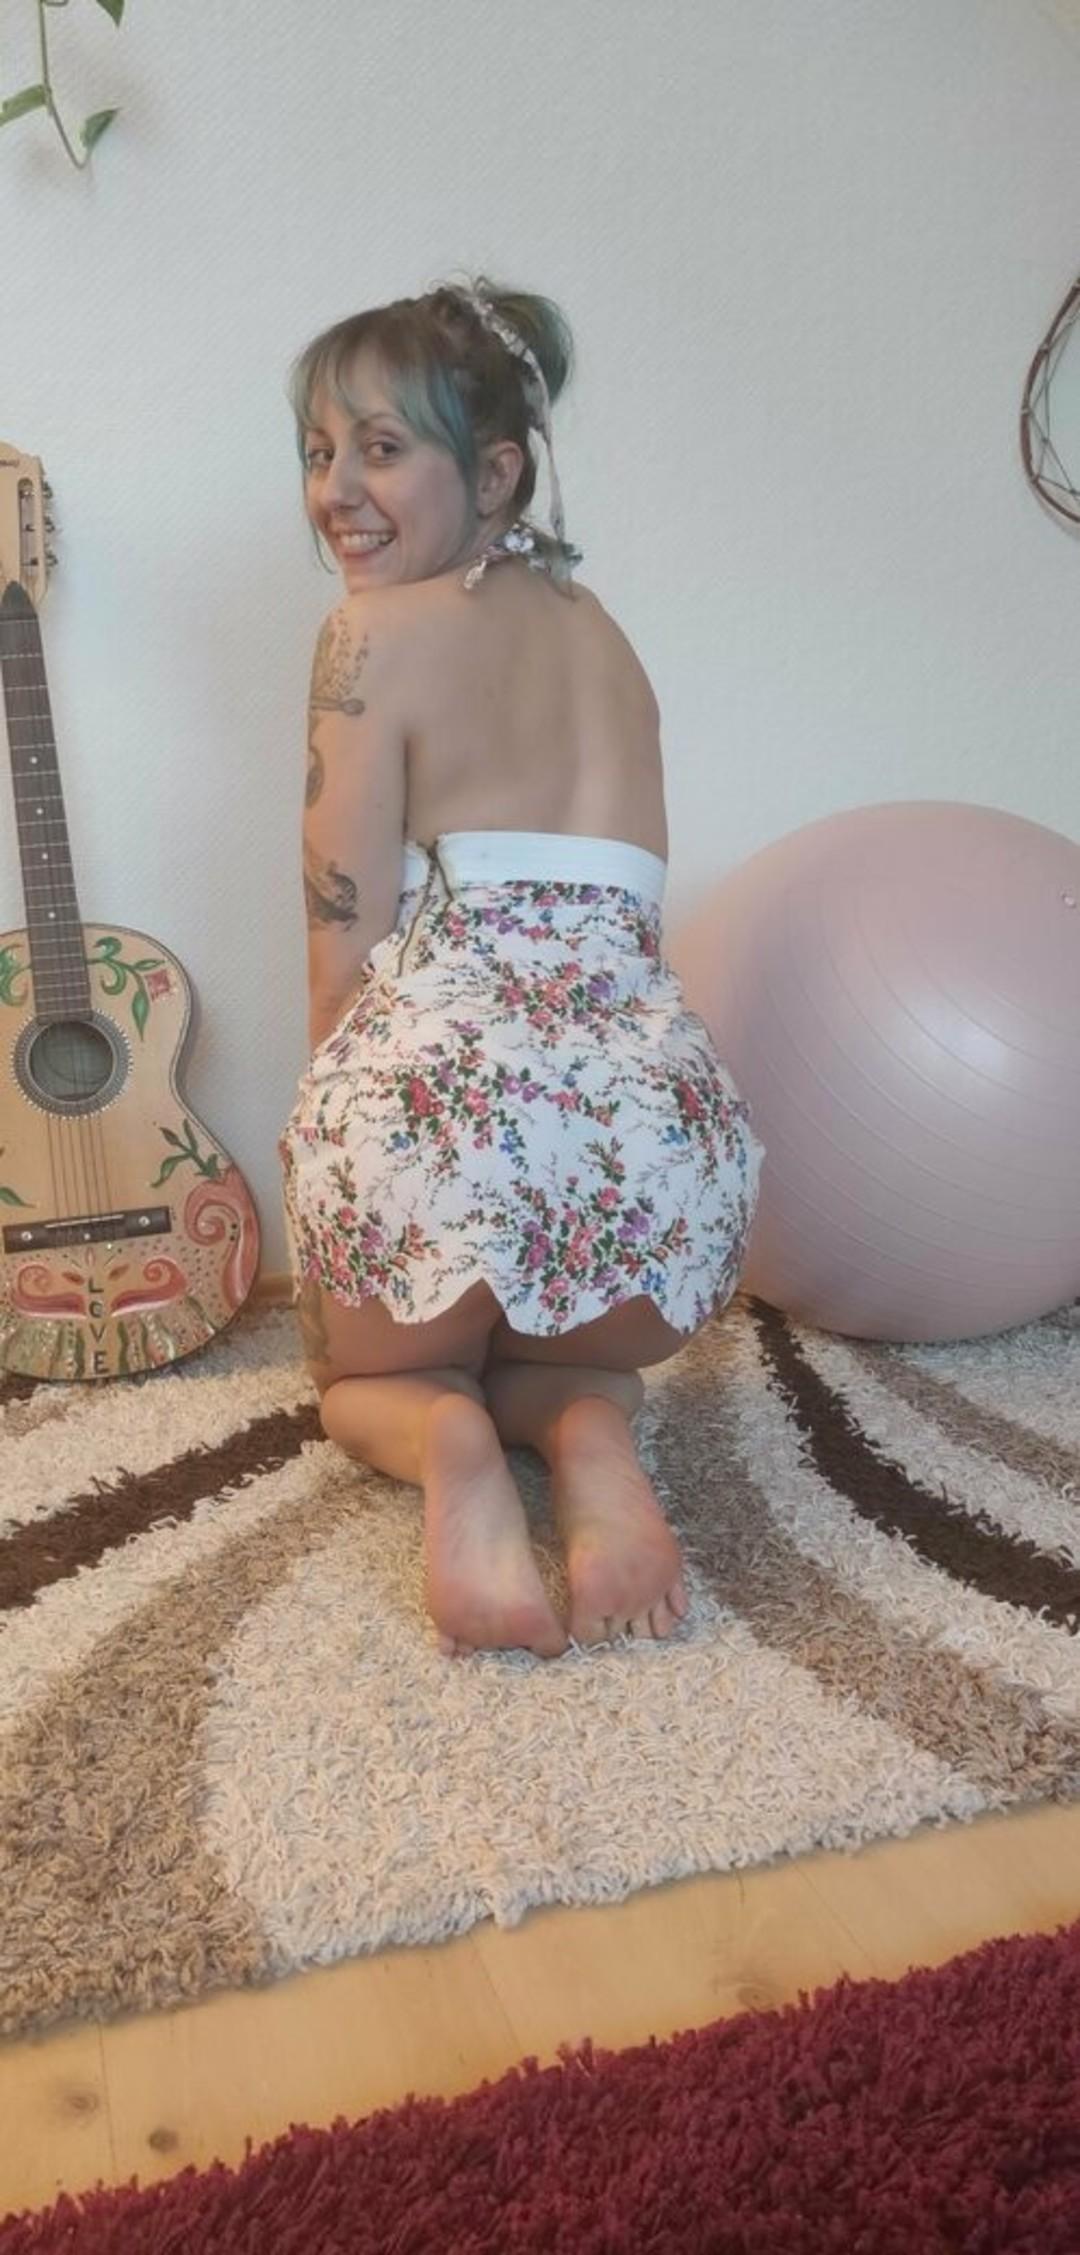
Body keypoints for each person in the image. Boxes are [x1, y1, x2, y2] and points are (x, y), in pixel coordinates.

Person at [278, 274, 764, 1662]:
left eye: (381, 449)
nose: (335, 491)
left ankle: (449, 1442)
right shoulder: (608, 640)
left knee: (357, 1380)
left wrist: (329, 1168)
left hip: (451, 1111)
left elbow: (342, 953)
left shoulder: (370, 635)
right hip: (661, 1148)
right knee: (565, 1357)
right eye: (318, 451)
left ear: (495, 473)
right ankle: (589, 1425)